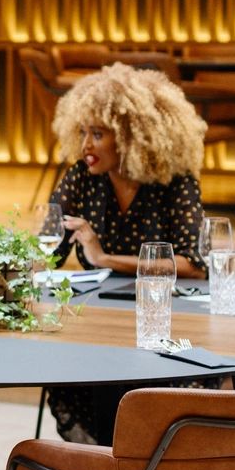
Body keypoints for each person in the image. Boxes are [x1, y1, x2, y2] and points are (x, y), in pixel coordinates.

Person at [46, 64, 210, 445]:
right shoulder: (80, 178)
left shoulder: (175, 183)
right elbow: (48, 252)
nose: (85, 145)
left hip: (166, 321)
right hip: (99, 321)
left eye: (98, 134)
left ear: (133, 137)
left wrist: (105, 259)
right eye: (83, 132)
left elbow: (194, 266)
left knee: (136, 380)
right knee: (82, 372)